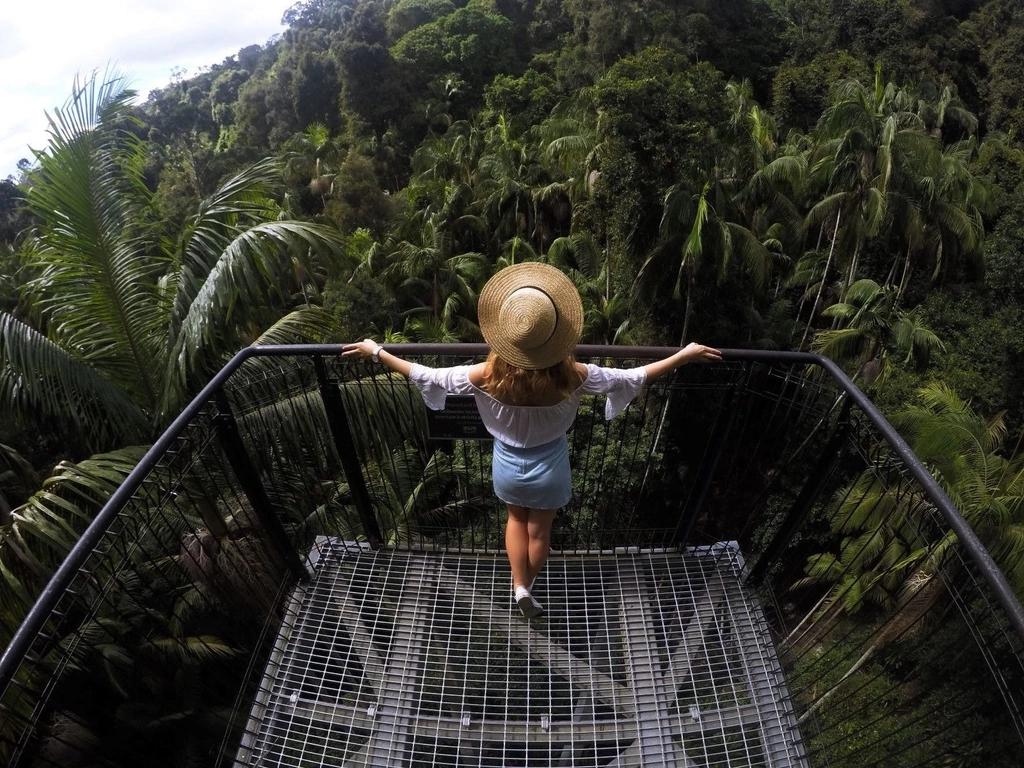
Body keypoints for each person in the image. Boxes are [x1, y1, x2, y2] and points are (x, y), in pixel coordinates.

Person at [343, 262, 721, 618]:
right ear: (555, 338)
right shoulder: (574, 376)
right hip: (550, 466)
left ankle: (519, 584)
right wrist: (682, 356)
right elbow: (633, 377)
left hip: (506, 464)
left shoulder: (485, 375)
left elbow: (428, 375)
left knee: (514, 518)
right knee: (540, 530)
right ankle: (525, 585)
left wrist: (377, 351)